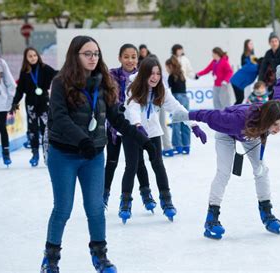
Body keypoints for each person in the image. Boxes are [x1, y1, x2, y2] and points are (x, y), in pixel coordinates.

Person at [41, 35, 155, 273]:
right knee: (63, 208)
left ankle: (100, 256)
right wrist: (81, 140)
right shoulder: (61, 82)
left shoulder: (105, 83)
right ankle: (50, 260)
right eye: (87, 54)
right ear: (75, 55)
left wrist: (140, 138)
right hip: (63, 155)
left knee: (95, 208)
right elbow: (59, 118)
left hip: (93, 155)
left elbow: (116, 118)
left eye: (96, 54)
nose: (93, 58)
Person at [171, 63, 280, 239]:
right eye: (276, 125)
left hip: (251, 134)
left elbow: (279, 95)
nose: (278, 129)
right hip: (229, 132)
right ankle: (211, 218)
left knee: (261, 170)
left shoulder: (274, 109)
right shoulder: (235, 120)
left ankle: (266, 212)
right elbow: (210, 115)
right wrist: (187, 115)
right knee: (224, 173)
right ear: (267, 119)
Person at [122, 56, 207, 223]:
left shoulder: (162, 90)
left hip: (152, 130)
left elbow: (177, 108)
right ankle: (126, 201)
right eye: (151, 74)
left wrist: (193, 125)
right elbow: (132, 109)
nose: (154, 77)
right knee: (133, 165)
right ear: (144, 74)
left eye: (158, 74)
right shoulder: (133, 87)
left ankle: (166, 200)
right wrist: (138, 125)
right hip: (132, 129)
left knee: (158, 164)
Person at [104, 43, 157, 213]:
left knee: (137, 162)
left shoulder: (142, 76)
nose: (130, 60)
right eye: (126, 56)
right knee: (111, 162)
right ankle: (103, 195)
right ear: (120, 58)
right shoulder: (111, 75)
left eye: (133, 56)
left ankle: (146, 193)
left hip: (133, 127)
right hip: (114, 126)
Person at [10, 47, 57, 167]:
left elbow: (57, 74)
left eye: (35, 55)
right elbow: (20, 90)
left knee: (45, 129)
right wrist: (15, 102)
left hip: (44, 102)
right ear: (26, 58)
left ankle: (48, 154)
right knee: (33, 130)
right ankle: (35, 154)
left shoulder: (44, 68)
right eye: (30, 56)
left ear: (38, 56)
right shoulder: (25, 72)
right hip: (31, 104)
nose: (33, 58)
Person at [165, 56, 191, 154]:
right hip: (185, 98)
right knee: (185, 121)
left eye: (167, 67)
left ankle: (178, 146)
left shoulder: (172, 76)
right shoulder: (181, 74)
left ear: (170, 66)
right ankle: (186, 146)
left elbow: (167, 89)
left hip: (177, 97)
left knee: (176, 123)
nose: (166, 70)